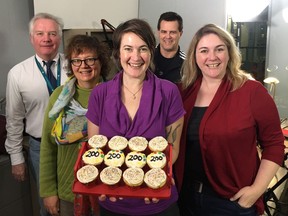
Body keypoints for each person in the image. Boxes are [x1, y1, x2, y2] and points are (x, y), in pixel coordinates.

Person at [174, 23, 285, 216]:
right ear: (194, 56)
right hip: (185, 198)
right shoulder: (183, 92)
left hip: (231, 202)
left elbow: (274, 144)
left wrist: (257, 190)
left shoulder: (251, 91)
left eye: (219, 49)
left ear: (229, 52)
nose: (212, 57)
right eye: (204, 50)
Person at [86, 18, 185, 216]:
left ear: (151, 52)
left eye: (143, 49)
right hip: (114, 199)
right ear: (118, 53)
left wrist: (151, 182)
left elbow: (171, 151)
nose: (136, 56)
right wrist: (103, 182)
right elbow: (95, 148)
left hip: (157, 201)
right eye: (128, 49)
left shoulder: (169, 92)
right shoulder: (100, 94)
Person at [39, 34, 110, 216]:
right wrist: (48, 191)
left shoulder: (114, 96)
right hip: (68, 189)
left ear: (101, 62)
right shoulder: (59, 97)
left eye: (90, 59)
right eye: (76, 61)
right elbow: (48, 146)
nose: (83, 66)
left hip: (106, 188)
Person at [5, 12, 68, 216]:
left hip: (72, 146)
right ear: (32, 38)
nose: (46, 39)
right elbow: (14, 118)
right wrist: (16, 157)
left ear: (59, 37)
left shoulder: (75, 67)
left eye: (52, 33)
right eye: (40, 33)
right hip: (39, 148)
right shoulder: (18, 73)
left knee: (75, 202)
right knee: (49, 206)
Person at [154, 11, 186, 83]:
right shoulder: (147, 57)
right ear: (158, 33)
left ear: (180, 34)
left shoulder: (187, 64)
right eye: (164, 32)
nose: (168, 37)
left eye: (172, 32)